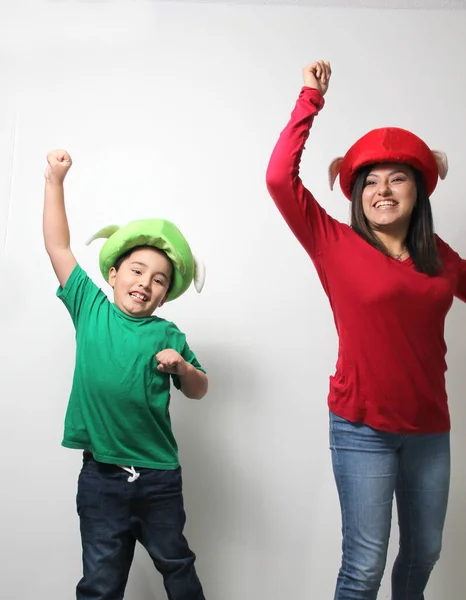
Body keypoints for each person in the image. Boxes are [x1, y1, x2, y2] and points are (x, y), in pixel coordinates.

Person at [265, 60, 466, 600]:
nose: (382, 190)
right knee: (364, 566)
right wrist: (310, 99)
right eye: (369, 181)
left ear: (419, 189)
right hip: (362, 428)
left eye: (396, 178)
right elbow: (279, 179)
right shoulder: (335, 243)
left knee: (424, 553)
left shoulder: (439, 259)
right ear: (356, 195)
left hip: (429, 429)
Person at [43, 149, 208, 600]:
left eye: (159, 279)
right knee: (100, 580)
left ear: (165, 295)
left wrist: (182, 366)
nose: (145, 283)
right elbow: (58, 246)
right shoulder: (89, 307)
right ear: (113, 274)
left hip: (158, 477)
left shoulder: (167, 334)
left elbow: (199, 389)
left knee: (176, 564)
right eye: (137, 270)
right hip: (101, 477)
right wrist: (55, 181)